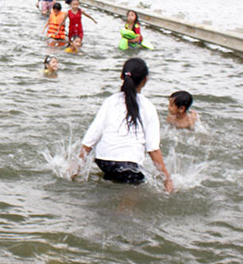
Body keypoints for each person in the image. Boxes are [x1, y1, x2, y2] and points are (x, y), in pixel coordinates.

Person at [73, 58, 173, 192]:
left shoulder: (110, 101)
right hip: (129, 165)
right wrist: (167, 179)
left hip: (103, 160)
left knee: (112, 178)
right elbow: (153, 148)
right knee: (127, 207)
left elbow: (93, 133)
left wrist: (77, 165)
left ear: (121, 76)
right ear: (145, 80)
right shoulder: (148, 107)